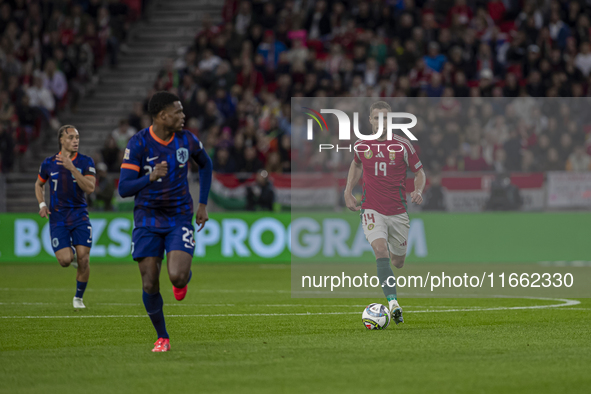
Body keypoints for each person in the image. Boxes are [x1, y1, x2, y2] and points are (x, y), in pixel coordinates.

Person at [118, 92, 212, 352]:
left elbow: (206, 165)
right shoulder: (138, 144)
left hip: (179, 217)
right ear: (162, 116)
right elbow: (124, 188)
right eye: (178, 112)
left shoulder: (186, 140)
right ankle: (163, 337)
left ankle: (183, 279)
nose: (183, 117)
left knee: (178, 277)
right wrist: (149, 178)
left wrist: (202, 203)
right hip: (147, 219)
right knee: (149, 282)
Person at [344, 101, 426, 325]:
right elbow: (357, 164)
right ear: (370, 121)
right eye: (377, 118)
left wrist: (418, 189)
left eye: (386, 118)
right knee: (380, 250)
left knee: (397, 262)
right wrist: (348, 190)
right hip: (371, 209)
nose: (381, 122)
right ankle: (393, 304)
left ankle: (390, 268)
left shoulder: (402, 145)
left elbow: (419, 172)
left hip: (398, 212)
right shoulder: (361, 144)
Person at [34, 125, 96, 309]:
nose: (75, 140)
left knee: (84, 258)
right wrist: (42, 204)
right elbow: (39, 184)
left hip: (79, 215)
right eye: (70, 137)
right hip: (58, 218)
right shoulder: (48, 163)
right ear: (61, 140)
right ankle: (74, 257)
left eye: (77, 137)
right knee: (64, 261)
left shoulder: (86, 161)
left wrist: (72, 168)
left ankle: (78, 298)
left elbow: (90, 188)